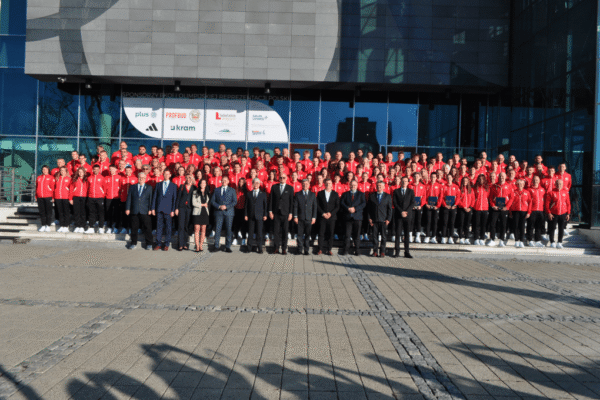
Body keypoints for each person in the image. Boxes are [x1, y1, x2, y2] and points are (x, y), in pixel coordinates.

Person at [125, 172, 153, 250]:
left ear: (145, 178)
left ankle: (149, 244)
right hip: (134, 210)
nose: (141, 179)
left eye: (143, 178)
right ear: (138, 178)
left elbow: (150, 199)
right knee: (134, 228)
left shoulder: (149, 187)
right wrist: (127, 208)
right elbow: (129, 198)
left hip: (145, 210)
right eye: (140, 178)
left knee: (147, 228)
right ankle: (133, 243)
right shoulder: (132, 187)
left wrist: (150, 209)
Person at [151, 169, 178, 251]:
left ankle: (166, 244)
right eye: (165, 174)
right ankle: (158, 243)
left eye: (168, 174)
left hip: (168, 210)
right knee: (159, 227)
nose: (166, 175)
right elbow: (155, 197)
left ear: (170, 175)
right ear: (163, 175)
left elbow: (174, 199)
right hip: (159, 209)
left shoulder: (173, 186)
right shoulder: (158, 184)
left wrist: (173, 210)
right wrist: (153, 208)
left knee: (168, 228)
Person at [268, 173, 294, 254]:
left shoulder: (290, 188)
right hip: (276, 213)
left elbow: (291, 202)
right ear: (279, 178)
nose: (282, 179)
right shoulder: (274, 187)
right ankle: (276, 248)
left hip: (285, 213)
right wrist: (270, 211)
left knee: (285, 232)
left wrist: (291, 213)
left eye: (284, 177)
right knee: (276, 231)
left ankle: (284, 249)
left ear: (286, 178)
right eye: (281, 177)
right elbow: (271, 200)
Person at [210, 176, 237, 252]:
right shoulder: (217, 190)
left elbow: (234, 201)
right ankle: (216, 246)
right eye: (223, 180)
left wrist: (226, 207)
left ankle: (227, 246)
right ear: (221, 181)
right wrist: (219, 206)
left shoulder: (232, 190)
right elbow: (212, 201)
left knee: (228, 229)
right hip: (218, 212)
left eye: (225, 180)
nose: (224, 181)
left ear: (228, 181)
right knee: (217, 229)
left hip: (229, 212)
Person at [340, 180, 366, 256]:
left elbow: (363, 204)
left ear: (357, 186)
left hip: (357, 217)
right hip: (348, 217)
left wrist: (355, 209)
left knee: (357, 235)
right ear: (349, 185)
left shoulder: (361, 194)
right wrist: (348, 208)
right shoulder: (345, 194)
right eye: (352, 185)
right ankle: (345, 250)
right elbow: (342, 203)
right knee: (347, 235)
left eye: (354, 185)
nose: (353, 186)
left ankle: (357, 250)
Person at [316, 179, 340, 255]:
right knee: (321, 233)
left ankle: (329, 249)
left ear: (331, 184)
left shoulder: (335, 194)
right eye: (326, 183)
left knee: (331, 233)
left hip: (331, 217)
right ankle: (320, 249)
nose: (328, 184)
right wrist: (323, 213)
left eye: (329, 183)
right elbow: (317, 205)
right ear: (324, 184)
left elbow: (337, 206)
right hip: (322, 217)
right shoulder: (320, 193)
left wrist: (331, 214)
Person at [368, 181, 392, 257]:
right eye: (378, 186)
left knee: (383, 237)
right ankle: (375, 251)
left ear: (384, 187)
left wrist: (388, 219)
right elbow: (369, 209)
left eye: (381, 186)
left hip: (384, 220)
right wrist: (369, 218)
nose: (379, 187)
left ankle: (382, 252)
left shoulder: (387, 196)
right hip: (374, 220)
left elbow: (390, 209)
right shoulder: (372, 196)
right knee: (374, 237)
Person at [392, 177, 415, 258]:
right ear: (400, 182)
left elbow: (412, 203)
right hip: (399, 215)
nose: (404, 182)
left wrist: (406, 212)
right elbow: (395, 203)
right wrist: (401, 211)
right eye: (403, 181)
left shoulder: (411, 191)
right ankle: (397, 251)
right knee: (398, 234)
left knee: (406, 234)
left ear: (408, 183)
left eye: (406, 181)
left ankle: (407, 252)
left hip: (408, 216)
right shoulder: (396, 191)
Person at [293, 179, 317, 255]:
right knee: (299, 235)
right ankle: (299, 250)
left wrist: (314, 217)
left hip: (309, 218)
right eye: (303, 184)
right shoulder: (297, 194)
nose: (305, 185)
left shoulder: (312, 194)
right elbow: (295, 206)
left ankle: (306, 250)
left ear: (309, 185)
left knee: (307, 235)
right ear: (301, 185)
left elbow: (314, 207)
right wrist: (295, 216)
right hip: (300, 218)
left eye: (306, 184)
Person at [545, 179, 571, 249]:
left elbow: (568, 203)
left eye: (560, 184)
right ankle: (552, 242)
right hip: (553, 214)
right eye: (557, 184)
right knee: (552, 228)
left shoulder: (565, 193)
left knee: (561, 229)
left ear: (562, 185)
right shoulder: (551, 193)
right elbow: (547, 204)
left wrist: (568, 213)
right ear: (555, 184)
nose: (559, 185)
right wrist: (549, 213)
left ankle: (559, 242)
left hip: (563, 213)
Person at [245, 178, 268, 253]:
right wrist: (246, 215)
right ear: (252, 184)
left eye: (257, 183)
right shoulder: (249, 194)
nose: (256, 184)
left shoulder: (263, 194)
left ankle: (260, 248)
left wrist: (265, 215)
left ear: (259, 184)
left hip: (260, 216)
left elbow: (265, 206)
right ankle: (249, 248)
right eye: (254, 183)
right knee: (250, 233)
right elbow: (246, 205)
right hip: (251, 216)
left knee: (259, 233)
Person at [175, 174, 196, 251]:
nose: (188, 179)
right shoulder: (182, 186)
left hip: (189, 209)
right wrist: (176, 208)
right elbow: (178, 198)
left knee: (187, 226)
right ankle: (180, 244)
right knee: (181, 226)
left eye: (190, 178)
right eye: (187, 178)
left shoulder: (194, 188)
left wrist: (193, 181)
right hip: (182, 208)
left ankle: (185, 244)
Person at [510, 179, 531, 248]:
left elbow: (530, 202)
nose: (520, 185)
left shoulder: (527, 192)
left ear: (524, 185)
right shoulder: (514, 192)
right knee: (515, 226)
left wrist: (529, 212)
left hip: (523, 211)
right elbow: (510, 201)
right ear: (517, 185)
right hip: (515, 211)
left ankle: (521, 241)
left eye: (521, 184)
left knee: (522, 226)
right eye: (519, 184)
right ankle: (516, 240)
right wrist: (510, 211)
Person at [85, 165, 106, 234]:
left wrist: (102, 195)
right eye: (94, 169)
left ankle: (100, 227)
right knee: (91, 212)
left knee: (100, 213)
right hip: (91, 197)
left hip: (99, 197)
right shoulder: (89, 178)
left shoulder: (102, 178)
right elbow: (87, 187)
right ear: (93, 170)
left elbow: (104, 188)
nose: (96, 170)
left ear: (99, 170)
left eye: (97, 169)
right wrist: (89, 196)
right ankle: (91, 227)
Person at [191, 179, 211, 252]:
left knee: (203, 230)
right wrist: (202, 205)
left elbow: (208, 203)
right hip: (197, 213)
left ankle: (201, 245)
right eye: (202, 183)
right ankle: (197, 246)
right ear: (199, 184)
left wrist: (205, 205)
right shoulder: (195, 192)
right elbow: (194, 203)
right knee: (197, 229)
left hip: (205, 213)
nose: (203, 184)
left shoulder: (207, 192)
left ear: (206, 184)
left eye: (204, 183)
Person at [527, 175, 546, 247]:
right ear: (532, 181)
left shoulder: (542, 189)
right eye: (534, 180)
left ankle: (538, 240)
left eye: (537, 180)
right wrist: (529, 211)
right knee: (530, 226)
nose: (535, 181)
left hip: (540, 210)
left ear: (539, 181)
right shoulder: (529, 189)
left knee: (538, 226)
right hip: (532, 210)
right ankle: (530, 240)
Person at [35, 165, 55, 232]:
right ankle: (43, 225)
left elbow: (53, 188)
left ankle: (48, 225)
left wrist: (53, 197)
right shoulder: (39, 177)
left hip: (48, 197)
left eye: (46, 169)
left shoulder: (51, 177)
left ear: (48, 170)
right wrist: (36, 196)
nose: (44, 171)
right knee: (42, 212)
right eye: (43, 169)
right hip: (40, 197)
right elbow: (36, 187)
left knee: (48, 212)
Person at [70, 167, 88, 233]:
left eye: (82, 172)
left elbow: (88, 188)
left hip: (84, 197)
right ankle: (77, 226)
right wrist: (70, 198)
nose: (80, 173)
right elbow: (71, 189)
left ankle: (82, 226)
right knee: (76, 212)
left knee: (83, 212)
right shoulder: (75, 179)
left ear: (84, 172)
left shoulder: (86, 179)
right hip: (76, 197)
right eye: (79, 172)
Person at [53, 166, 71, 233]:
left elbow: (71, 189)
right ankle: (61, 226)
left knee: (66, 212)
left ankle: (66, 226)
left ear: (66, 172)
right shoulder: (57, 178)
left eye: (63, 170)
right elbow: (54, 188)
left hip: (65, 197)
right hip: (58, 197)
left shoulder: (69, 179)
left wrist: (70, 198)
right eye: (61, 170)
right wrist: (54, 197)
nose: (62, 172)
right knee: (60, 212)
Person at [232, 177, 248, 246]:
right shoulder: (236, 190)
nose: (241, 183)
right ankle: (235, 238)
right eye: (240, 182)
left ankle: (243, 239)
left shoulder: (246, 191)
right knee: (236, 224)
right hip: (236, 209)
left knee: (243, 225)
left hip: (243, 210)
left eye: (242, 182)